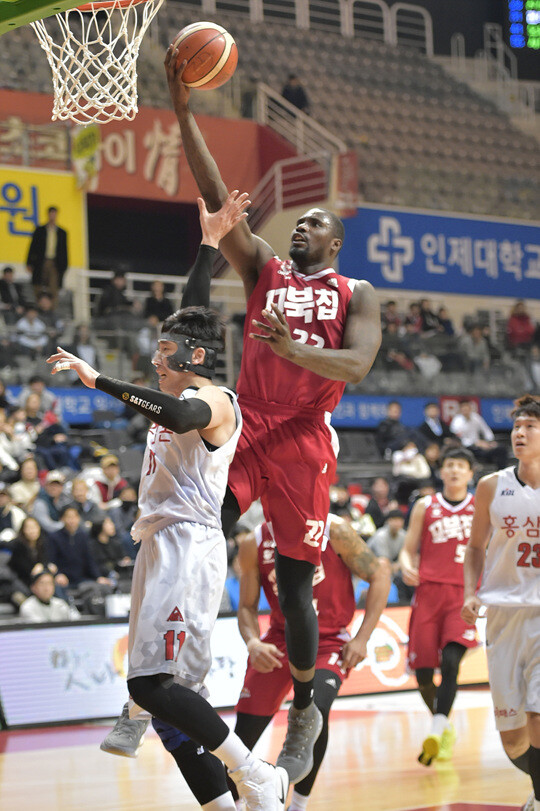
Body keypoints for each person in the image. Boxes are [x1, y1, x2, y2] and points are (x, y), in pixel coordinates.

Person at [165, 47, 382, 786]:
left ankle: (307, 707)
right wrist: (184, 107)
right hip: (250, 421)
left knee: (295, 587)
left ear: (336, 242)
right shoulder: (264, 268)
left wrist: (293, 348)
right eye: (298, 221)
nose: (301, 227)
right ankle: (176, 660)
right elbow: (215, 194)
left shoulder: (357, 292)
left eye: (315, 223)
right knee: (201, 523)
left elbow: (357, 365)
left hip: (305, 438)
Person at [51, 192, 291, 811]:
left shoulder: (215, 400)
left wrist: (98, 380)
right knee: (171, 706)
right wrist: (208, 246)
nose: (157, 359)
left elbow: (182, 414)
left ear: (197, 359)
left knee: (151, 684)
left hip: (187, 546)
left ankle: (255, 773)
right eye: (157, 350)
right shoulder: (189, 372)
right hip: (161, 543)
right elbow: (193, 317)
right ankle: (229, 802)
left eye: (166, 353)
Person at [228, 515, 390, 811]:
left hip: (329, 640)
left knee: (316, 710)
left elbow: (380, 575)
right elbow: (247, 607)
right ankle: (234, 804)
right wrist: (252, 642)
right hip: (279, 639)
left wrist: (362, 638)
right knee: (244, 733)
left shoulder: (335, 530)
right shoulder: (254, 541)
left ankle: (298, 805)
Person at [462, 394, 540, 811]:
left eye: (530, 427)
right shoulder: (492, 485)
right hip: (503, 616)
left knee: (539, 717)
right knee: (513, 739)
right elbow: (475, 548)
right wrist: (469, 592)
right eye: (516, 427)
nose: (520, 434)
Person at [399, 447, 478, 766]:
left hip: (463, 593)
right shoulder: (425, 505)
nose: (455, 470)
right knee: (422, 675)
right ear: (441, 471)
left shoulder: (480, 506)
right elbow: (407, 549)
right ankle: (443, 726)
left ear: (471, 473)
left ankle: (435, 728)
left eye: (461, 466)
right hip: (428, 593)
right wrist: (406, 566)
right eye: (450, 465)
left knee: (451, 661)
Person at [368, 509, 412, 603]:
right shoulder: (380, 535)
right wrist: (396, 566)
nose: (397, 523)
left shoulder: (403, 535)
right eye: (394, 520)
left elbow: (405, 554)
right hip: (371, 565)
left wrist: (399, 565)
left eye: (399, 520)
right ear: (388, 521)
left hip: (393, 565)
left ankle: (405, 601)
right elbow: (384, 560)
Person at [26, 205, 68, 302]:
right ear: (48, 215)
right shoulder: (40, 230)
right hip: (41, 261)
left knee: (53, 287)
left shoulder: (62, 233)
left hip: (55, 263)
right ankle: (38, 306)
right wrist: (29, 262)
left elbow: (64, 251)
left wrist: (64, 265)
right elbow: (32, 247)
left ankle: (52, 307)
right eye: (51, 214)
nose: (52, 216)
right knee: (38, 286)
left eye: (54, 214)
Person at [450, 399, 507, 468]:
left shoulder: (476, 417)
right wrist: (475, 443)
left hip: (480, 446)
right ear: (460, 409)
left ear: (470, 408)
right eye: (463, 408)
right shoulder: (456, 421)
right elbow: (459, 439)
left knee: (501, 449)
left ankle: (501, 470)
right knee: (473, 450)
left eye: (467, 407)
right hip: (468, 447)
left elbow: (486, 430)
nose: (465, 410)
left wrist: (490, 441)